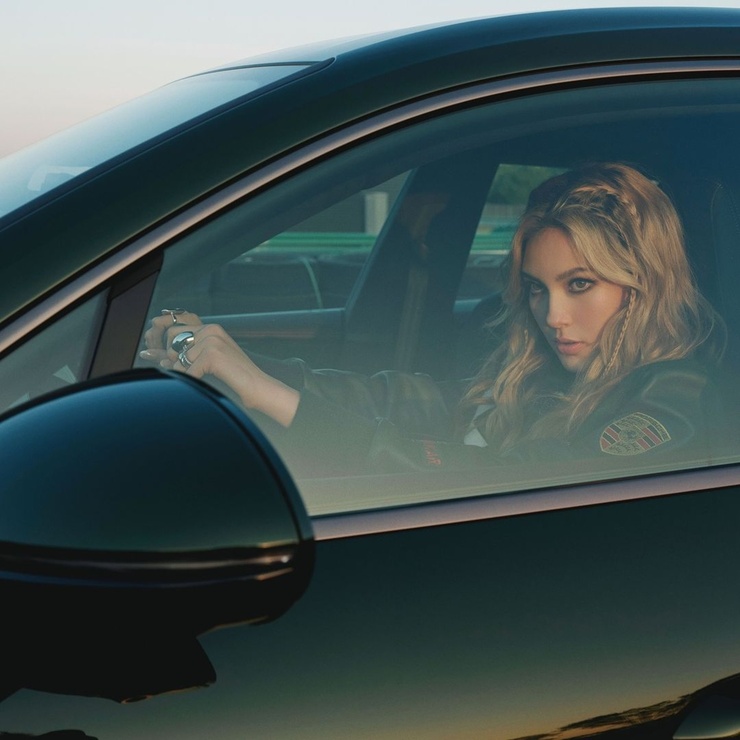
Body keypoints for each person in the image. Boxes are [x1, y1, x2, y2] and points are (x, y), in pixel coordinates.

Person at [140, 162, 725, 474]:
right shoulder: (552, 373)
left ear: (641, 284)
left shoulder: (676, 397)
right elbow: (410, 400)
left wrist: (276, 399)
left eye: (579, 285)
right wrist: (241, 365)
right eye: (536, 289)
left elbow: (495, 481)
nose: (553, 316)